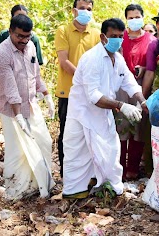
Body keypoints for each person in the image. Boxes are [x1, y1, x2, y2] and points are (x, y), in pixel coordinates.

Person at [62, 18, 146, 199]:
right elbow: (93, 96)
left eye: (119, 36)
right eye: (112, 36)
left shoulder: (118, 58)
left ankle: (104, 187)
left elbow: (130, 82)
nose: (117, 40)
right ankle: (74, 195)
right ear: (102, 37)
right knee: (78, 156)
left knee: (109, 150)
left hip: (103, 114)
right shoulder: (92, 59)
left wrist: (142, 101)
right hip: (82, 114)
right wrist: (121, 105)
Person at [0, 14, 55, 200]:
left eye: (27, 36)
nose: (24, 41)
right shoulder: (2, 54)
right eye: (20, 36)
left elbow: (35, 75)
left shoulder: (31, 47)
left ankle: (39, 184)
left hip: (30, 104)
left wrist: (47, 95)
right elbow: (10, 88)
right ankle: (15, 191)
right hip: (11, 110)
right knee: (17, 151)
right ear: (10, 32)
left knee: (44, 142)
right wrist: (18, 117)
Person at [55, 0, 101, 177]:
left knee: (89, 133)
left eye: (89, 9)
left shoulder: (97, 34)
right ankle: (66, 173)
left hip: (91, 93)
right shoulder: (63, 31)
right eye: (82, 8)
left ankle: (88, 174)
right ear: (74, 11)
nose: (86, 12)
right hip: (68, 91)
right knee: (67, 133)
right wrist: (84, 78)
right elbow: (64, 61)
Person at [119, 4, 156, 180]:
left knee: (138, 127)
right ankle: (119, 167)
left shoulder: (150, 40)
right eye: (130, 17)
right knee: (120, 126)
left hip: (142, 86)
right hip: (119, 86)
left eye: (137, 17)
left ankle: (133, 168)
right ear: (126, 19)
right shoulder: (120, 36)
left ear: (143, 17)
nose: (134, 20)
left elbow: (151, 66)